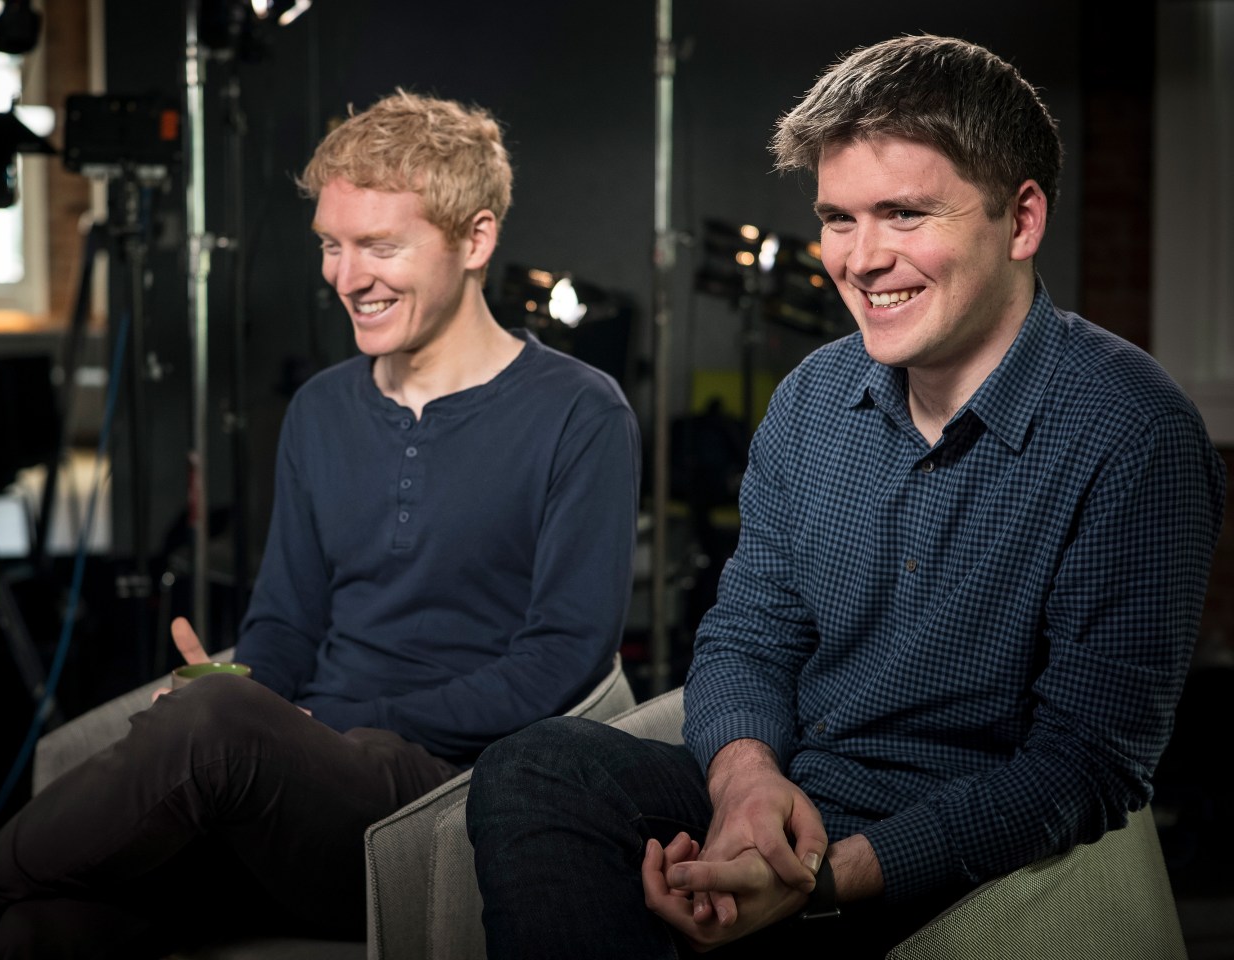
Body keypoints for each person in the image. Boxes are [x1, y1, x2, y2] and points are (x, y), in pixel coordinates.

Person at [0, 89, 640, 958]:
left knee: (219, 724)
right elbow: (284, 624)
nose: (346, 279)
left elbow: (558, 662)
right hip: (292, 771)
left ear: (476, 240)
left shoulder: (580, 414)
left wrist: (295, 722)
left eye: (380, 247)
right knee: (38, 931)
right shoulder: (321, 411)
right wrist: (239, 689)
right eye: (331, 245)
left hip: (435, 789)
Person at [466, 34, 1226, 959]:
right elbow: (750, 633)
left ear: (1021, 220)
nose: (860, 260)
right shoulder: (813, 396)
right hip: (800, 789)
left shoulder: (1134, 432)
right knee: (537, 767)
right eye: (839, 218)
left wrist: (825, 883)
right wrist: (746, 785)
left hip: (966, 858)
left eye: (904, 215)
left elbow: (1083, 767)